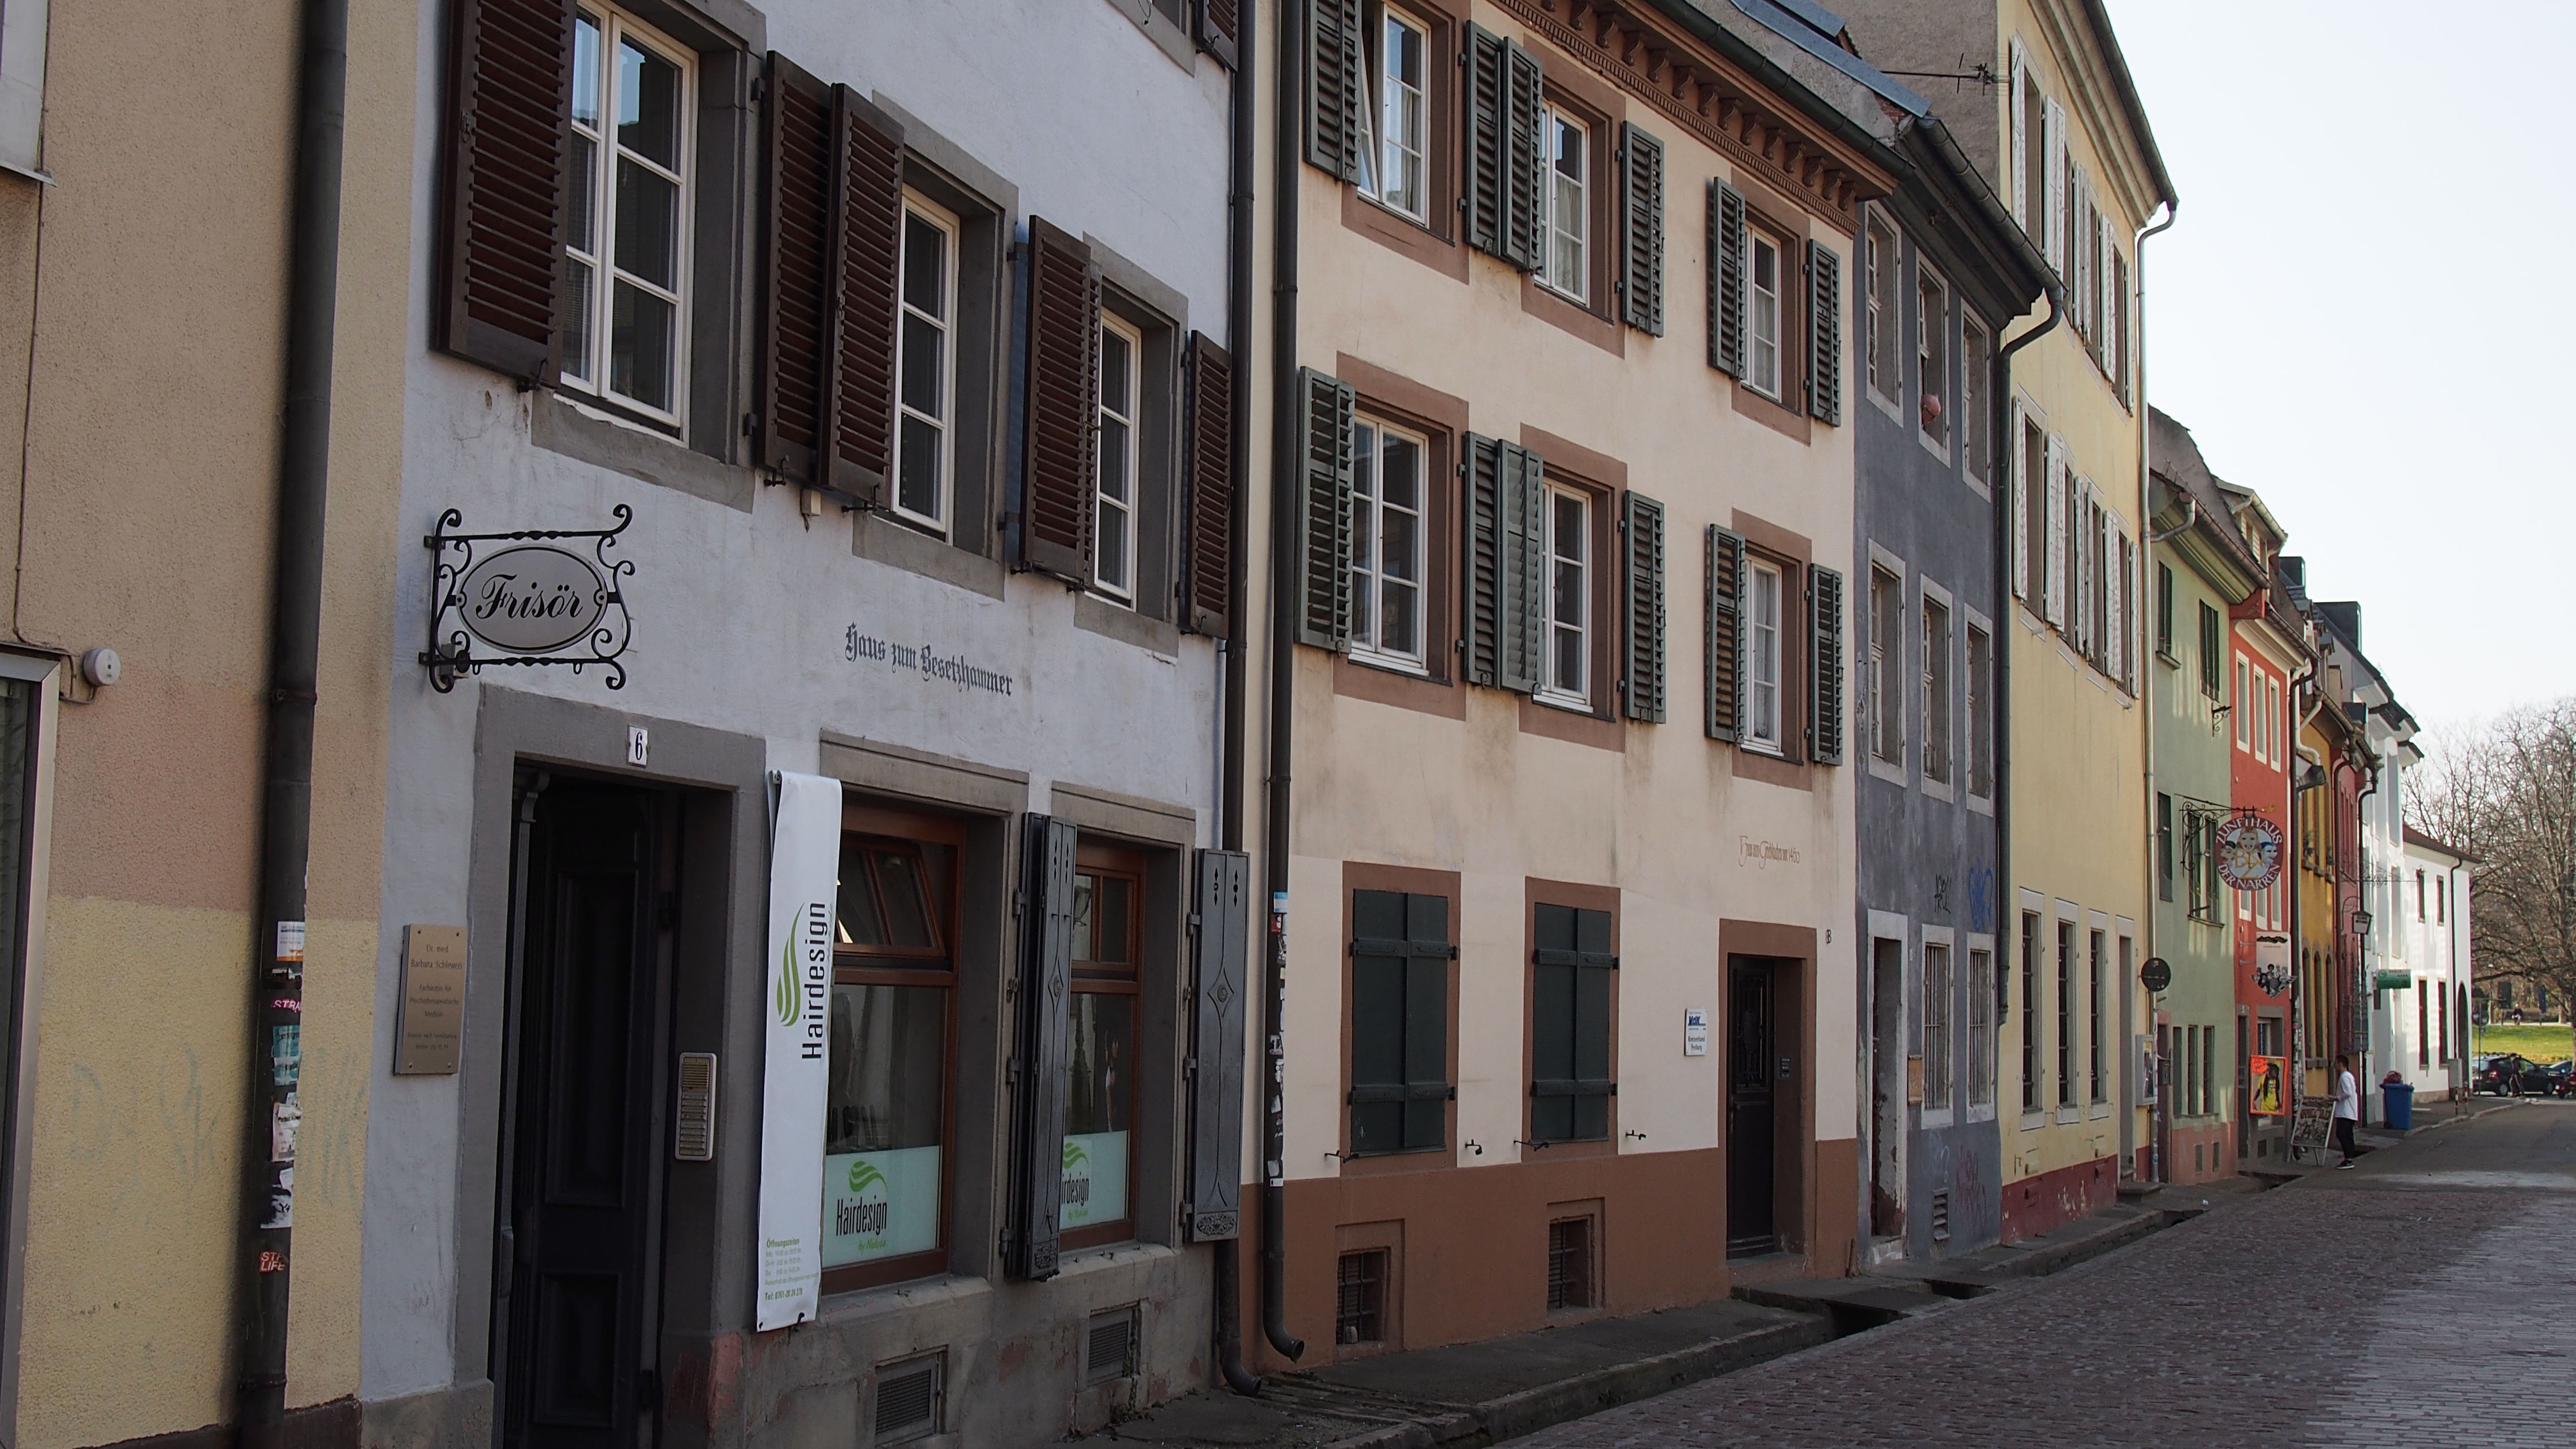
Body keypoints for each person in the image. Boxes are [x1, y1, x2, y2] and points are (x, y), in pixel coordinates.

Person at [2332, 1054, 2361, 1169]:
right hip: (2350, 1112)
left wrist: (2337, 1098)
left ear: (2341, 1064)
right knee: (2348, 1135)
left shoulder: (2344, 1077)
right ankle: (2349, 1158)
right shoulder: (2349, 1076)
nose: (2334, 1066)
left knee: (2342, 1134)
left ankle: (2348, 1159)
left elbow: (2348, 1093)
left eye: (2336, 1064)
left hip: (2345, 1112)